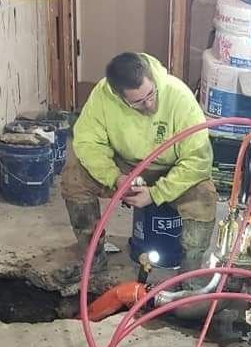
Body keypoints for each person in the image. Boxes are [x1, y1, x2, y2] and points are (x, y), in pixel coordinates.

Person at [58, 52, 217, 284]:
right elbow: (87, 142)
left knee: (204, 196)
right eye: (138, 102)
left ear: (152, 77)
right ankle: (92, 257)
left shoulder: (178, 96)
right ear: (118, 97)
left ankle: (190, 272)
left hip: (171, 167)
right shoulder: (103, 97)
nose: (149, 104)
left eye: (151, 94)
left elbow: (198, 160)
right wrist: (115, 178)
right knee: (74, 178)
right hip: (125, 166)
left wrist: (157, 193)